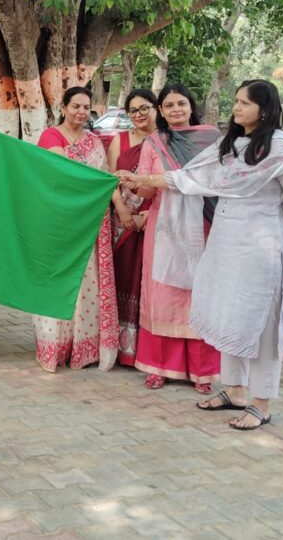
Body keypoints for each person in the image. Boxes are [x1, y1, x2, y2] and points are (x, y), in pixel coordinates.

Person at [125, 80, 283, 430]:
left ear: (266, 108)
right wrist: (142, 179)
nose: (237, 108)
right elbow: (190, 179)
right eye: (236, 101)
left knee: (262, 324)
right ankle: (235, 391)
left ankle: (261, 402)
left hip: (263, 247)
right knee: (229, 314)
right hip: (226, 245)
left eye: (245, 102)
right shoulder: (231, 145)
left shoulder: (280, 149)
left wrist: (267, 221)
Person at [128, 83, 221, 392]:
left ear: (191, 106)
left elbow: (214, 180)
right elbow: (147, 190)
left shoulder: (210, 139)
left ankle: (203, 370)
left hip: (202, 227)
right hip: (163, 227)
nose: (175, 110)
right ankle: (159, 366)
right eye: (168, 106)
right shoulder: (154, 142)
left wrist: (149, 180)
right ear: (161, 111)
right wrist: (132, 184)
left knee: (199, 294)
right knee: (162, 294)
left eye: (181, 103)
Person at [33, 87, 118, 372]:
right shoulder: (50, 136)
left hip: (91, 220)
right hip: (60, 221)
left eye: (86, 107)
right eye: (76, 106)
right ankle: (55, 346)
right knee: (59, 278)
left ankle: (84, 348)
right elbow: (65, 173)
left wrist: (121, 205)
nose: (82, 112)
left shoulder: (94, 141)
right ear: (63, 107)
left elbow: (104, 179)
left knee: (88, 281)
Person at [107, 89, 157, 367]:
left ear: (155, 108)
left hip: (154, 221)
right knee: (122, 279)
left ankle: (146, 351)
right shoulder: (120, 140)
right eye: (133, 110)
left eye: (144, 108)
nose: (139, 115)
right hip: (122, 222)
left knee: (146, 283)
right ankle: (119, 348)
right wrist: (124, 209)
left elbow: (168, 182)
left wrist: (147, 214)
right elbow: (110, 180)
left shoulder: (166, 140)